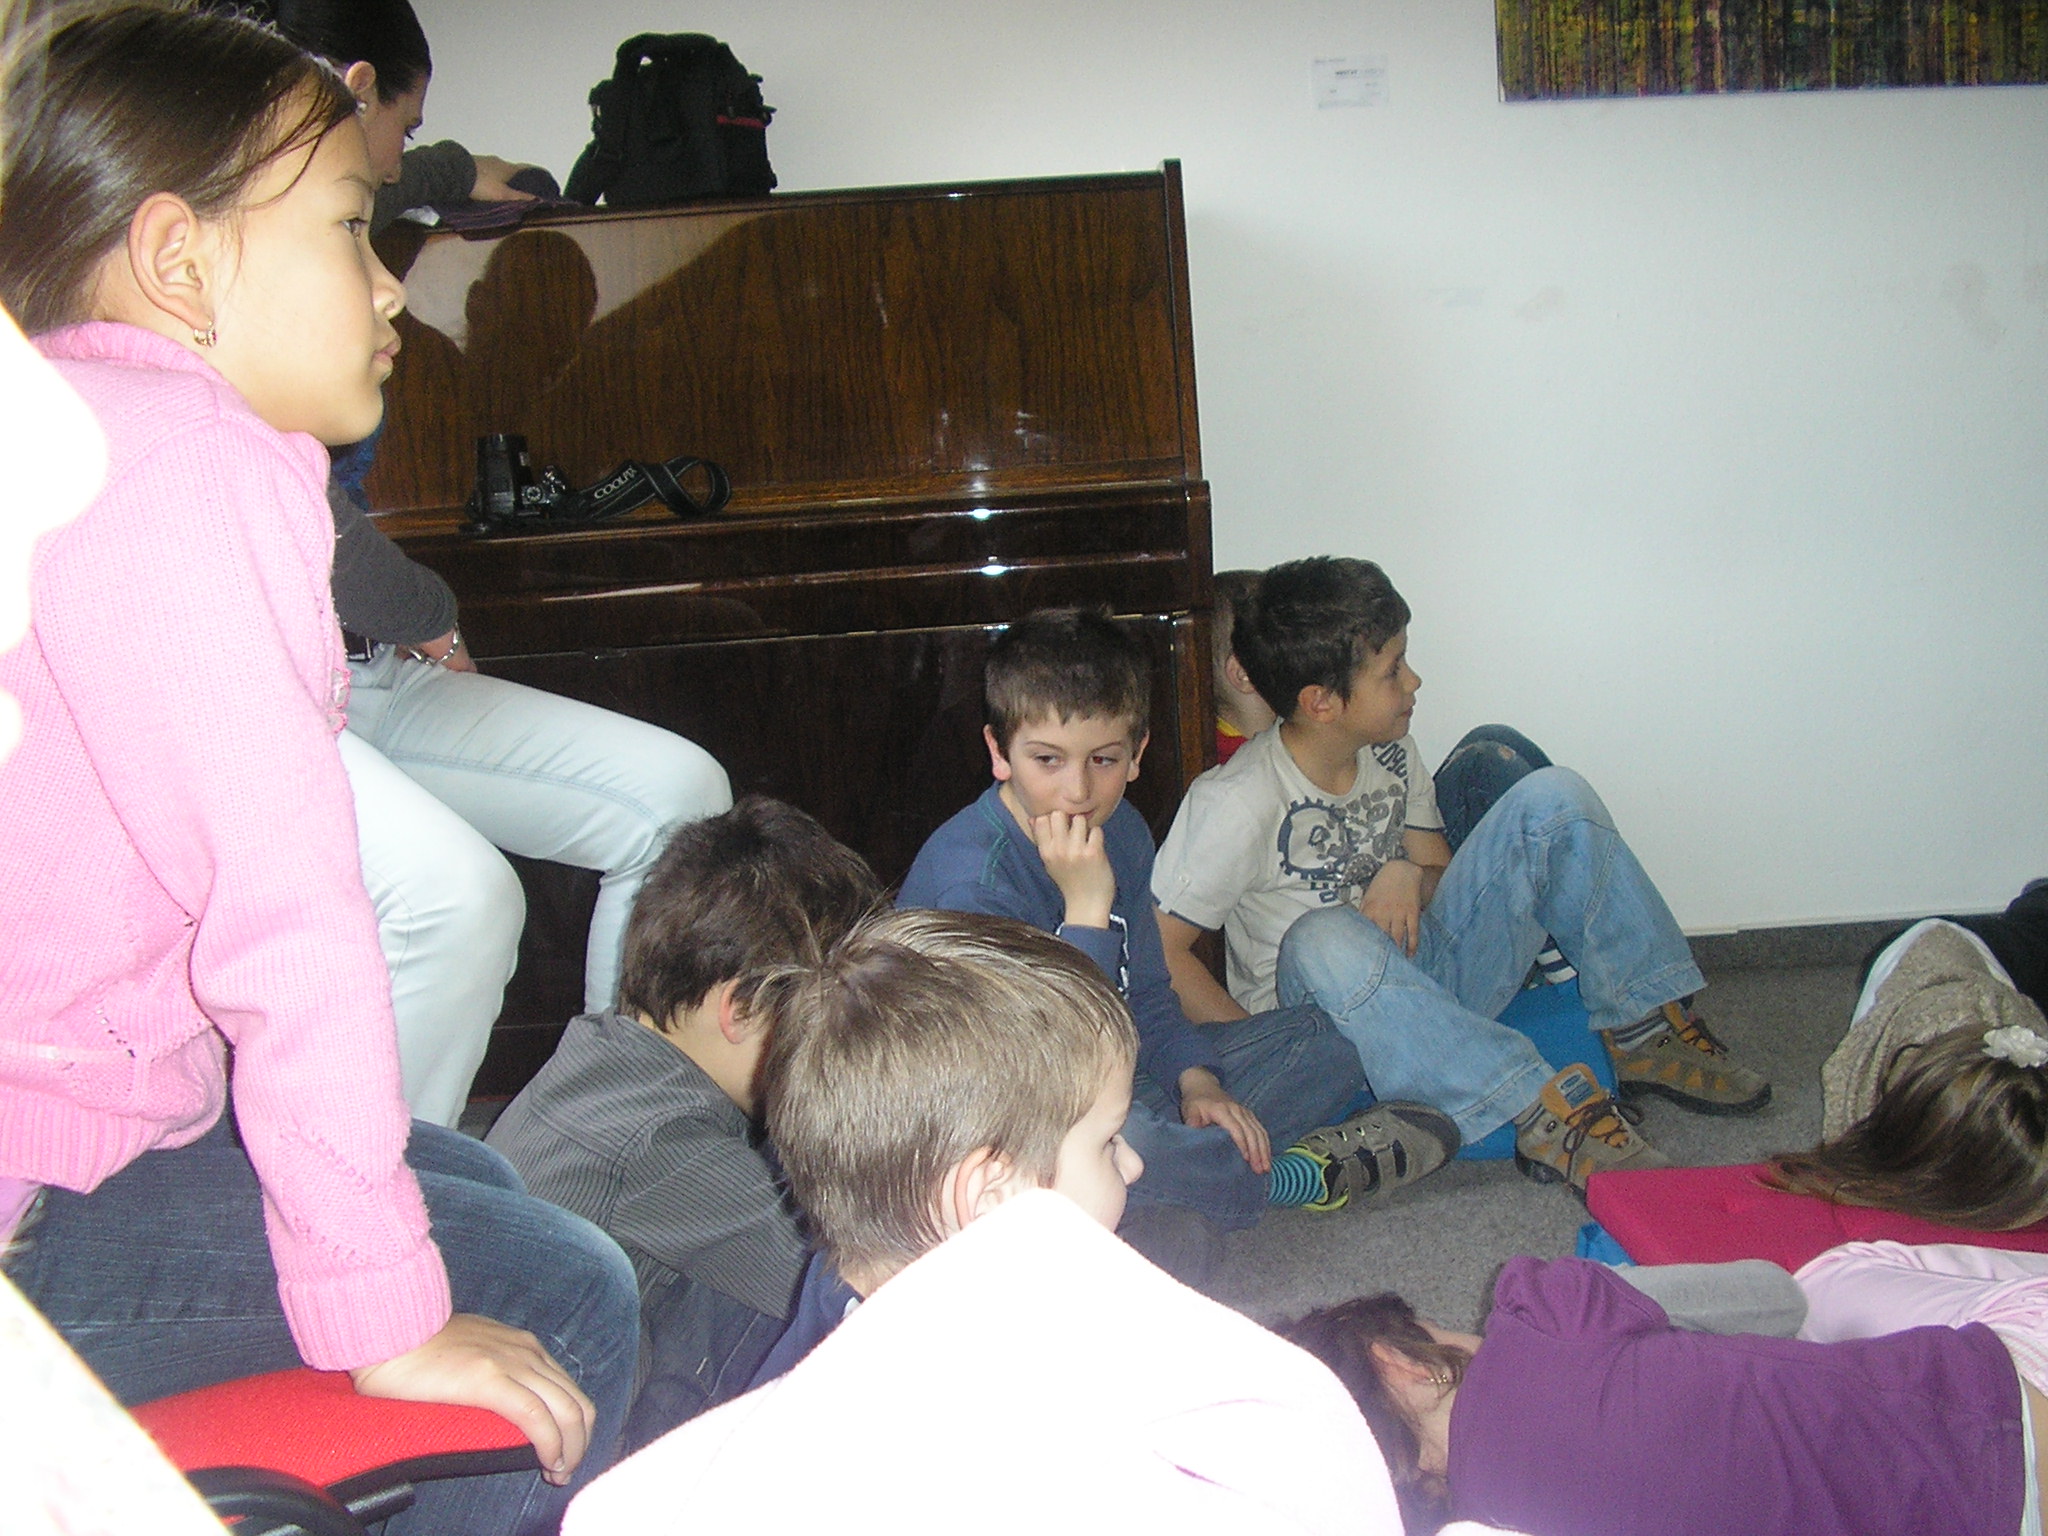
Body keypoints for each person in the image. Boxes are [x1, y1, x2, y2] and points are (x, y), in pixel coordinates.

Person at [0, 11, 637, 1531]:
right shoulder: (186, 462)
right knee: (565, 1291)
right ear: (180, 260)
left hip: (71, 1128)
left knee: (477, 1190)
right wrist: (389, 1317)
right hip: (30, 1214)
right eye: (352, 229)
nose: (387, 286)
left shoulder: (75, 422)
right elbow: (288, 932)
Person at [561, 909, 1480, 1535]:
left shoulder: (840, 1287)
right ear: (992, 1193)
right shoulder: (1013, 1424)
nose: (1133, 1164)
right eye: (1109, 1142)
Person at [254, 0, 733, 1126]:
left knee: (677, 796)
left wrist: (457, 166)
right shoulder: (249, 254)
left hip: (369, 671)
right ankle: (393, 1195)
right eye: (404, 124)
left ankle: (604, 1138)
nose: (385, 289)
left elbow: (409, 178)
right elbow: (306, 516)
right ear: (354, 88)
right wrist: (431, 610)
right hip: (276, 677)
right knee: (455, 902)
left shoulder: (352, 195)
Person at [1153, 557, 1772, 1192]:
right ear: (1322, 702)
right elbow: (1163, 948)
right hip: (1332, 1031)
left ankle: (1641, 1026)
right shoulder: (1235, 801)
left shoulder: (1393, 750)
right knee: (1321, 936)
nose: (1414, 681)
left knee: (1553, 796)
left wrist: (1407, 873)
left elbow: (1445, 880)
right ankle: (1541, 1110)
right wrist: (1258, 1048)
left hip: (1429, 979)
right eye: (1393, 670)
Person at [898, 608, 1459, 1267]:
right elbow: (1049, 1077)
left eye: (1104, 760)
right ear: (999, 753)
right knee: (1141, 1157)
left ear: (1136, 755)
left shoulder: (1124, 831)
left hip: (1120, 1075)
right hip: (1018, 1116)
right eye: (1046, 760)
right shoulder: (974, 883)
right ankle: (1285, 1180)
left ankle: (1157, 1194)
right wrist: (1086, 906)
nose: (1077, 790)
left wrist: (1197, 1081)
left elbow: (1148, 992)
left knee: (1326, 1041)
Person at [487, 797, 880, 1450]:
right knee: (837, 1293)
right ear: (742, 1008)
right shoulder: (662, 1146)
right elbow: (865, 1278)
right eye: (830, 1018)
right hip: (578, 1465)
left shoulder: (606, 1053)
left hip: (555, 1410)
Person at [1285, 1247, 2048, 1536]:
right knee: (1840, 1272)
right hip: (1991, 1415)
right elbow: (1768, 1295)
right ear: (1401, 1362)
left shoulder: (1490, 1524)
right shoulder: (1539, 1316)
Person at [1765, 916, 2048, 1229]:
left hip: (1983, 965)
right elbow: (1842, 1103)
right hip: (1929, 949)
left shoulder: (2024, 1036)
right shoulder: (1871, 1079)